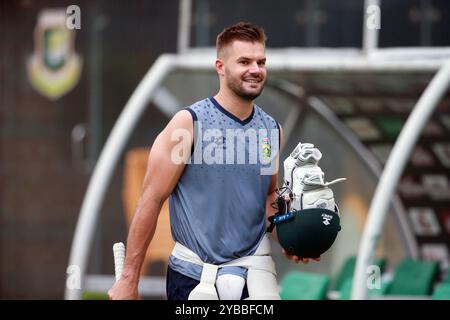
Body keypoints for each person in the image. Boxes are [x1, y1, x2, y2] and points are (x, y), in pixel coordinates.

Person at [108, 22, 319, 301]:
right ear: (220, 66)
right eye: (244, 61)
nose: (255, 69)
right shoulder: (188, 124)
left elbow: (267, 196)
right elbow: (151, 199)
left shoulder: (271, 131)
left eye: (261, 62)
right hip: (194, 277)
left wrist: (292, 237)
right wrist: (128, 280)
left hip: (254, 277)